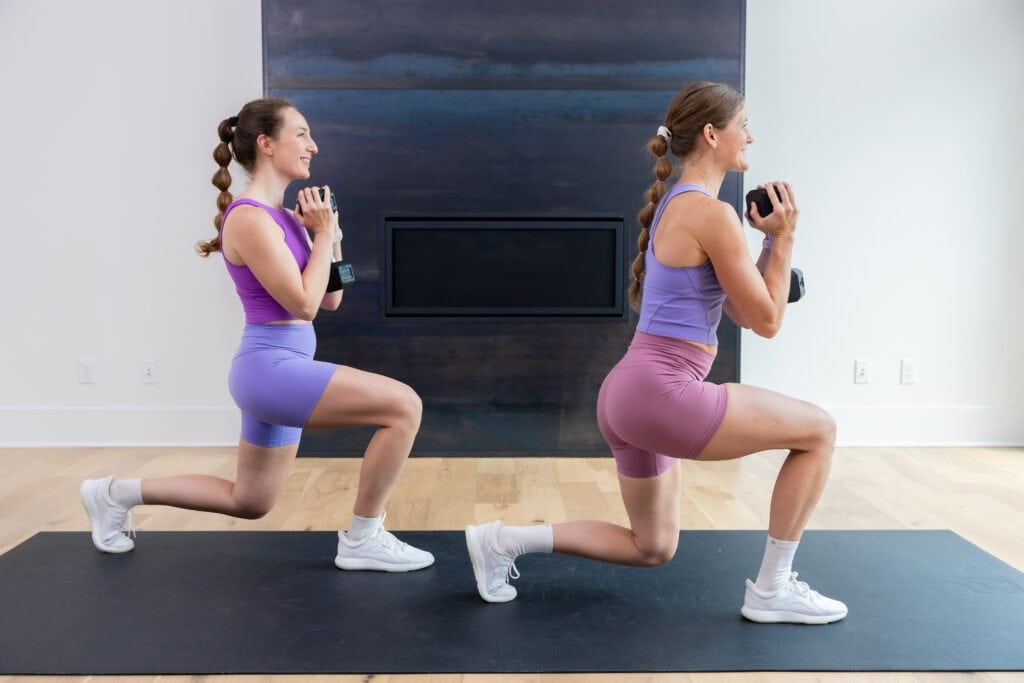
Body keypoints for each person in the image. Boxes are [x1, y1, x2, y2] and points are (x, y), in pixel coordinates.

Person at [465, 81, 846, 624]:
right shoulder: (711, 215)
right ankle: (772, 589)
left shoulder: (681, 205)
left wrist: (766, 243)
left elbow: (743, 310)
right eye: (744, 126)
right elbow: (766, 322)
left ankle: (500, 542)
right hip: (663, 393)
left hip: (627, 394)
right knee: (820, 432)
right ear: (713, 134)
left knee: (653, 546)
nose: (751, 137)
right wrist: (783, 239)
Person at [80, 98, 433, 572]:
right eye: (302, 134)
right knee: (404, 405)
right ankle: (363, 537)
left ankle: (112, 495)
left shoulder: (287, 219)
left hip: (282, 371)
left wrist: (333, 236)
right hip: (269, 371)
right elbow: (303, 305)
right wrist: (323, 238)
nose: (314, 145)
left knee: (250, 500)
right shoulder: (248, 219)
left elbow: (330, 300)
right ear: (266, 144)